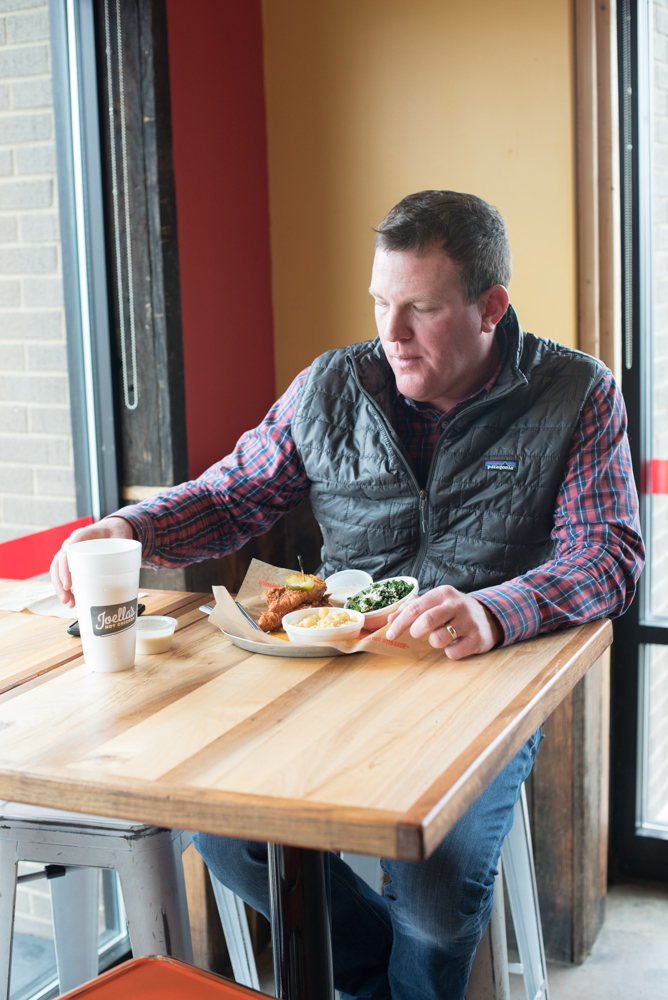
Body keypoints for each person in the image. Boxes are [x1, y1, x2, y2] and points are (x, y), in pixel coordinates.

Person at [51, 191, 644, 1000]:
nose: (391, 333)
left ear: (489, 308)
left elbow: (608, 555)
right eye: (379, 303)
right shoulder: (332, 384)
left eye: (420, 309)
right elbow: (232, 495)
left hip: (476, 690)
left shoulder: (576, 392)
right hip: (330, 674)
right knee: (227, 835)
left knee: (434, 902)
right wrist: (131, 527)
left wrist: (493, 609)